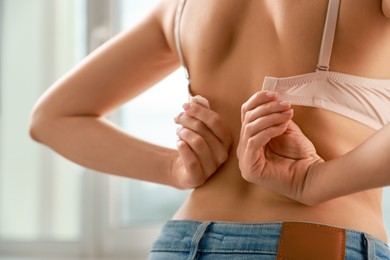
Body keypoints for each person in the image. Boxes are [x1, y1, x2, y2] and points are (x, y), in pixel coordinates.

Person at [29, 0, 390, 258]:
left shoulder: (181, 8)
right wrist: (314, 182)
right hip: (312, 242)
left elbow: (51, 119)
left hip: (179, 243)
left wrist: (172, 168)